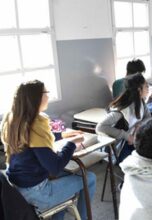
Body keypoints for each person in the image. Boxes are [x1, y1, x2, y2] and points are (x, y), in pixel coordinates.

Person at [0, 80, 96, 220]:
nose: (48, 96)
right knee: (89, 178)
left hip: (16, 187)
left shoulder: (13, 119)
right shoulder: (36, 124)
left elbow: (30, 141)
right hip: (36, 192)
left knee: (67, 180)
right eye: (46, 93)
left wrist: (61, 135)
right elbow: (55, 167)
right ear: (36, 97)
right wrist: (71, 143)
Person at [96, 73, 152, 163]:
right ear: (139, 90)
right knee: (140, 163)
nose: (148, 88)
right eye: (146, 86)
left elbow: (148, 117)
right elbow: (100, 127)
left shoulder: (140, 101)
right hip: (120, 147)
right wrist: (127, 136)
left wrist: (139, 125)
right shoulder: (122, 110)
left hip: (134, 140)